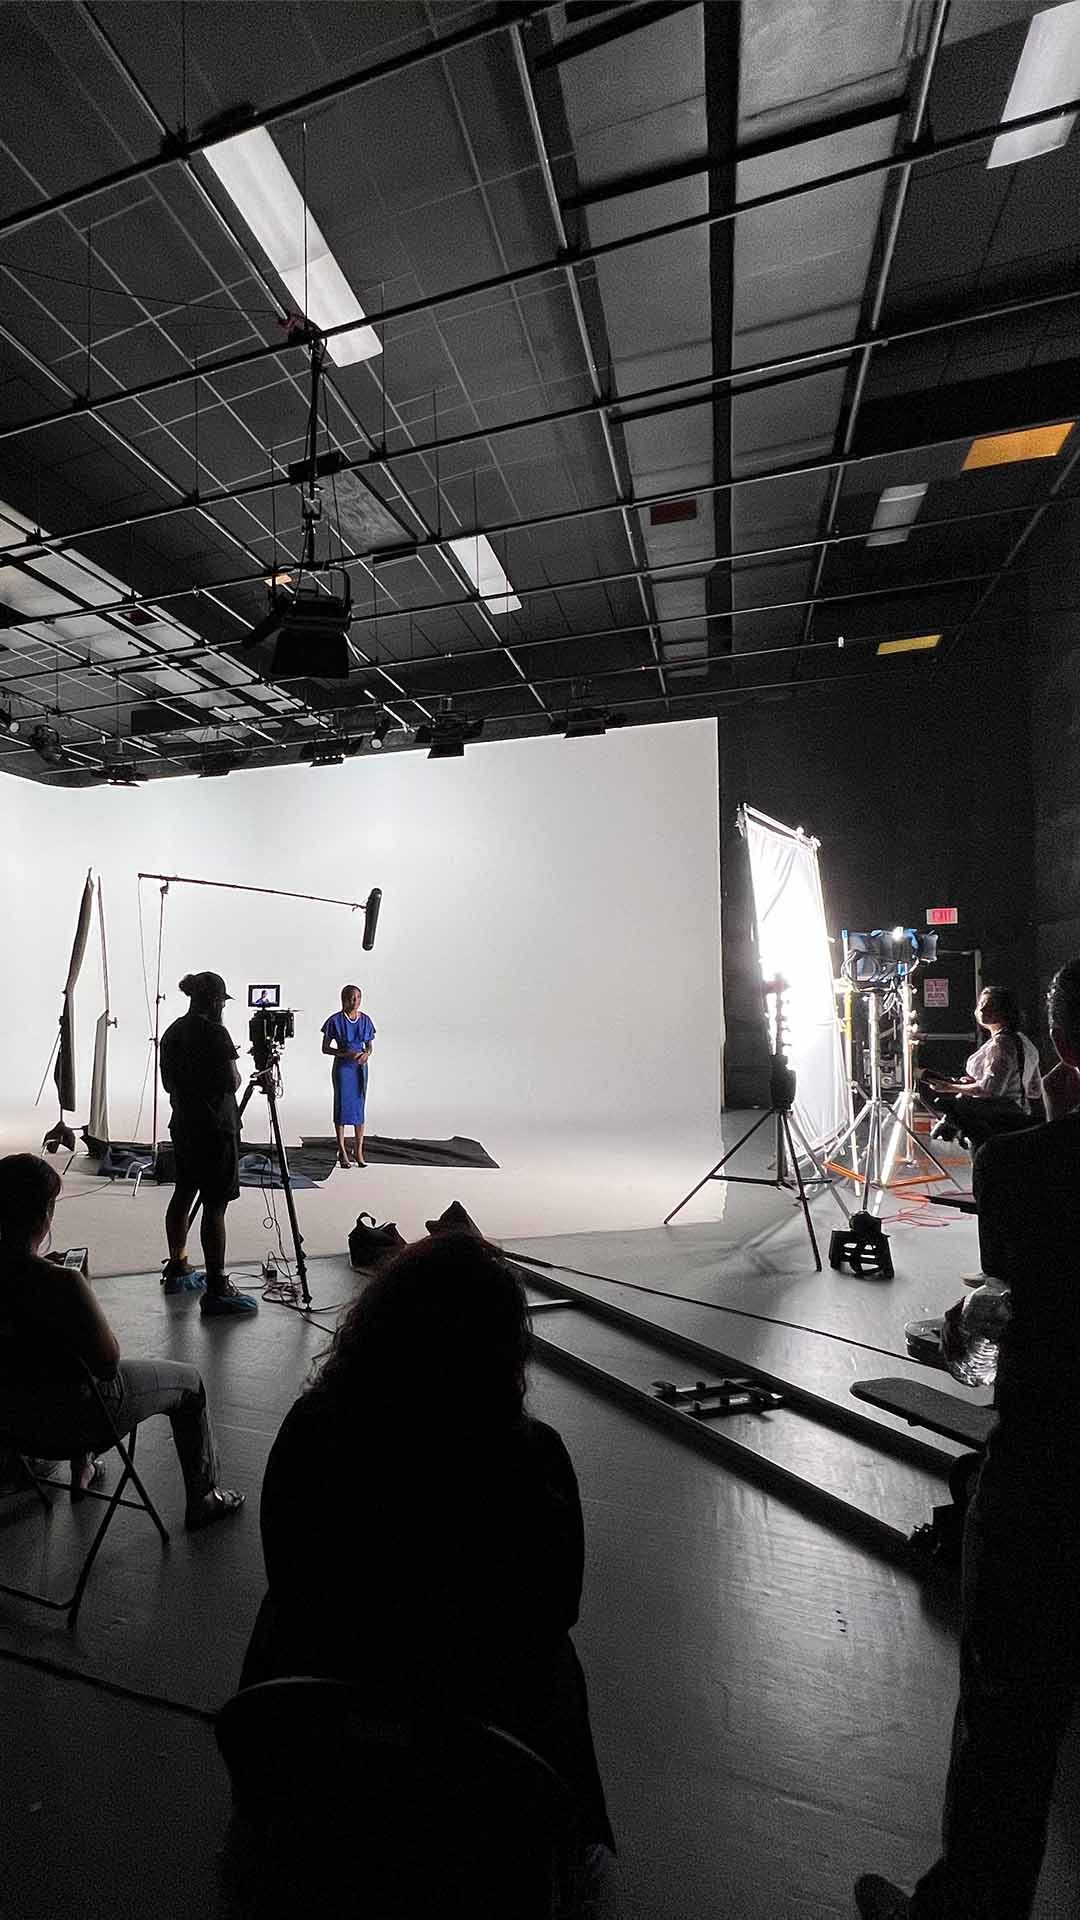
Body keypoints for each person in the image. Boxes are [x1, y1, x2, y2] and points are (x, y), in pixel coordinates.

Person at [239, 1232, 614, 1891]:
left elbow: (288, 1573)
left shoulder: (313, 1426)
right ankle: (570, 1835)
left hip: (316, 1720)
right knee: (554, 1658)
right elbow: (556, 1608)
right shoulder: (529, 1456)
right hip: (476, 1744)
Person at [856, 958, 1080, 1919]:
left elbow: (1013, 1309)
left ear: (1061, 1043)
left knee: (1007, 1721)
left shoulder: (1023, 1168)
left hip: (1049, 1482)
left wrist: (961, 1332)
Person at [0, 1154, 243, 1529]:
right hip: (74, 1420)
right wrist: (81, 1292)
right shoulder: (63, 1285)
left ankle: (73, 1465)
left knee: (52, 1372)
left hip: (13, 1421)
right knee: (190, 1384)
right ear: (45, 1215)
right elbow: (107, 1363)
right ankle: (204, 1499)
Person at [160, 971, 258, 1316]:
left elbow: (169, 1084)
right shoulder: (216, 1033)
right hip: (216, 1130)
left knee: (183, 1192)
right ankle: (217, 1286)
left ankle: (179, 1267)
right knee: (215, 1206)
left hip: (184, 1127)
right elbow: (232, 1081)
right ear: (215, 1000)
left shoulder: (172, 1032)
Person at [920, 984, 1042, 1153]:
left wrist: (949, 1086)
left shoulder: (1001, 1043)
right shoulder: (1025, 1042)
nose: (982, 1009)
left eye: (989, 1005)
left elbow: (990, 1090)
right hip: (1020, 1114)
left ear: (1004, 1011)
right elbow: (1035, 1089)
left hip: (994, 1122)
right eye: (981, 1004)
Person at [321, 984, 375, 1169]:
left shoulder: (366, 1020)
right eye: (352, 998)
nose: (355, 1001)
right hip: (344, 1068)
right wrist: (344, 1054)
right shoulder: (335, 1021)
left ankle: (358, 1150)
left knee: (359, 1108)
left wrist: (366, 1054)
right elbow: (325, 1048)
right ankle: (342, 1150)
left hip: (360, 1067)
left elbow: (369, 1046)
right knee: (342, 1107)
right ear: (343, 999)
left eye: (358, 998)